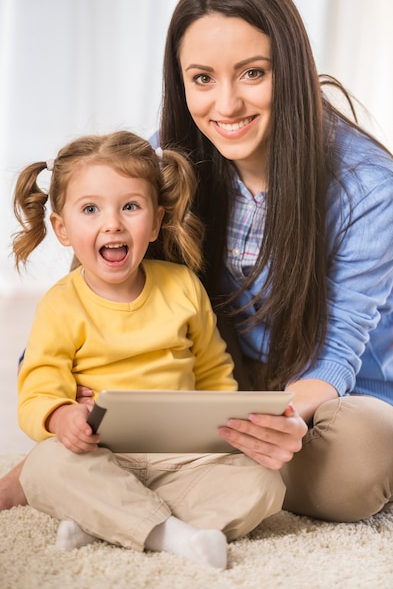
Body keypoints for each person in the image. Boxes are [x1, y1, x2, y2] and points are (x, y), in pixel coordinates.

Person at [2, 0, 393, 522]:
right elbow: (93, 290)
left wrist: (282, 420)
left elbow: (339, 354)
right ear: (180, 81)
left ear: (293, 69)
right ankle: (168, 470)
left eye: (253, 73)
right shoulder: (168, 159)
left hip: (330, 396)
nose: (226, 105)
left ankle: (149, 473)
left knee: (358, 462)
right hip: (214, 387)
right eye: (202, 79)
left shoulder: (369, 186)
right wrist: (65, 399)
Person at [10, 130, 286, 570]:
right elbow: (38, 387)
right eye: (90, 209)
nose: (113, 223)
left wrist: (226, 430)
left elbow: (214, 371)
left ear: (156, 223)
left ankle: (107, 522)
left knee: (265, 485)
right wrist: (61, 416)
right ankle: (176, 536)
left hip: (179, 458)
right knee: (43, 468)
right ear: (62, 228)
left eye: (131, 207)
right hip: (100, 454)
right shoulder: (61, 304)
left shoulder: (181, 286)